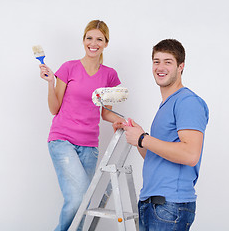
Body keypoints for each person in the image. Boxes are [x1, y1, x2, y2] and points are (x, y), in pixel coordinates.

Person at [39, 20, 125, 231]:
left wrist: (120, 120)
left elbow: (106, 112)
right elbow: (54, 108)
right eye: (89, 38)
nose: (93, 43)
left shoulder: (109, 75)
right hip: (62, 140)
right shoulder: (69, 68)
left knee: (83, 206)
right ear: (83, 40)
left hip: (89, 146)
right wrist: (51, 83)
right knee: (78, 198)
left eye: (99, 39)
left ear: (106, 43)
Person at [123, 39, 209, 230]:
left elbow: (190, 154)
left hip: (170, 205)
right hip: (153, 204)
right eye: (156, 61)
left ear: (181, 66)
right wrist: (139, 138)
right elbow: (156, 156)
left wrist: (143, 139)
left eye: (167, 61)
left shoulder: (187, 101)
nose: (160, 67)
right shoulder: (167, 104)